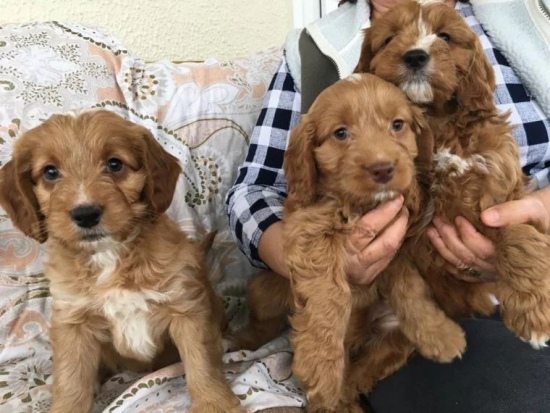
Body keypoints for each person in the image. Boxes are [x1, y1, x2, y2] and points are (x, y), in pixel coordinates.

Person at [226, 0, 550, 411]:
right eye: (391, 40)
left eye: (446, 39)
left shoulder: (527, 16)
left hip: (533, 273)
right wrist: (323, 265)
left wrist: (540, 214)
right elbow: (254, 190)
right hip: (412, 311)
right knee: (522, 393)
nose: (417, 50)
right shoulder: (314, 48)